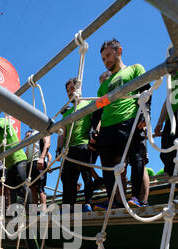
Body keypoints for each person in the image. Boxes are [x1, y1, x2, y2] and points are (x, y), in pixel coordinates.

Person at [90, 38, 150, 210]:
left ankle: (137, 198)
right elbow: (98, 109)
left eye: (108, 55)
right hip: (108, 128)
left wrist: (146, 114)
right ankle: (114, 201)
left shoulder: (135, 68)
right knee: (109, 167)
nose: (106, 60)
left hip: (130, 120)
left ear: (119, 51)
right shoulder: (104, 86)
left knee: (136, 159)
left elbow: (146, 91)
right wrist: (93, 129)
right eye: (103, 59)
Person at [56, 77, 94, 213]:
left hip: (84, 145)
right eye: (68, 90)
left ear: (79, 88)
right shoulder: (66, 112)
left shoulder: (89, 104)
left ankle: (88, 203)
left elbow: (96, 121)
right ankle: (68, 206)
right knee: (67, 180)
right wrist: (58, 149)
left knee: (86, 176)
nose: (70, 92)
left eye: (72, 88)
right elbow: (62, 132)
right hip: (68, 149)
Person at [154, 70, 178, 177]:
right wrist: (160, 121)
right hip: (172, 117)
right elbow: (169, 97)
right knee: (167, 154)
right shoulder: (172, 73)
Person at [25, 129, 51, 211]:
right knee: (32, 188)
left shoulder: (42, 129)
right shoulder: (31, 135)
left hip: (38, 161)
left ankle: (43, 210)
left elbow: (47, 144)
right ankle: (34, 212)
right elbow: (27, 151)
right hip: (30, 163)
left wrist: (42, 158)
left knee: (40, 188)